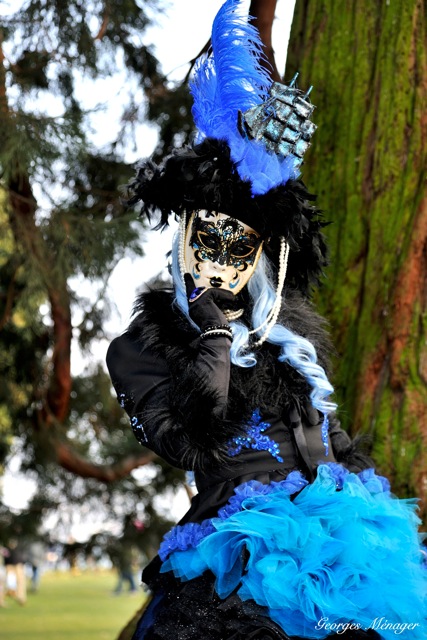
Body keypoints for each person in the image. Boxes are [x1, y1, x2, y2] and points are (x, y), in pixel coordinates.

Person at [106, 1, 426, 638]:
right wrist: (214, 337)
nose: (220, 262)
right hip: (241, 548)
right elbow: (190, 441)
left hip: (342, 536)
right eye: (209, 238)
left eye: (239, 246)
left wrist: (359, 498)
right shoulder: (139, 349)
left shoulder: (292, 333)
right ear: (184, 237)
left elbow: (328, 438)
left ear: (261, 256)